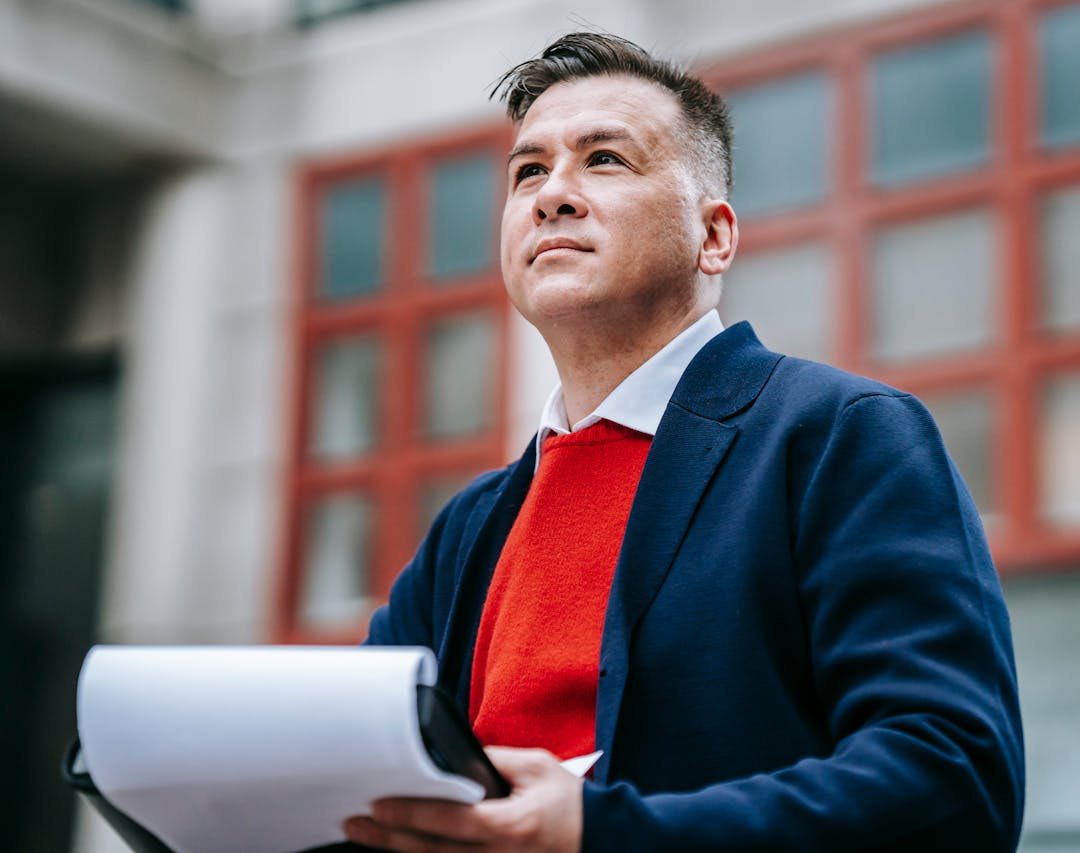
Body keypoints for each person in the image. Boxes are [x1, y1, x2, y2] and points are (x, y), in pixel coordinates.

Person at [344, 31, 1024, 853]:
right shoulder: (466, 530)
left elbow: (954, 779)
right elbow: (356, 770)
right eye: (529, 170)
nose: (552, 194)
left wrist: (601, 831)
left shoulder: (840, 437)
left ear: (715, 238)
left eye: (605, 160)